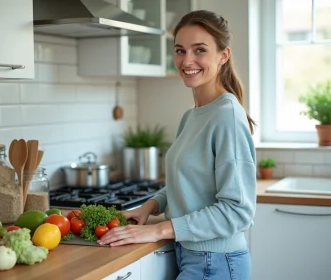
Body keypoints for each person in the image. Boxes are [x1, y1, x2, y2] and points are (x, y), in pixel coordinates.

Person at [98, 10, 257, 280]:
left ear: (223, 55)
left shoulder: (226, 115)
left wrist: (159, 230)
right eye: (180, 50)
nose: (187, 60)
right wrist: (150, 207)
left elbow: (238, 211)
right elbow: (187, 183)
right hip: (191, 255)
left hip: (217, 262)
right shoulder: (192, 115)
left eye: (200, 50)